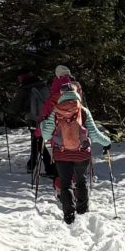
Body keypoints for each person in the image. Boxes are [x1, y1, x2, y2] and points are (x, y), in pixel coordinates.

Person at [38, 64, 111, 224]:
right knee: (81, 180)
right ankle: (82, 209)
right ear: (77, 93)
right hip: (81, 153)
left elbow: (46, 135)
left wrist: (43, 126)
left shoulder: (55, 111)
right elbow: (94, 133)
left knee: (65, 184)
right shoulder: (83, 111)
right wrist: (107, 142)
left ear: (62, 94)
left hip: (61, 153)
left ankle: (69, 214)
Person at [14, 65, 49, 174]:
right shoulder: (42, 84)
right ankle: (34, 164)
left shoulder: (25, 88)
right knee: (38, 141)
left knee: (37, 141)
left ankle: (48, 167)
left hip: (32, 118)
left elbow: (16, 107)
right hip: (46, 117)